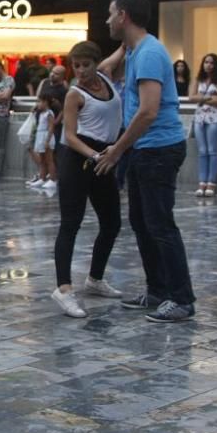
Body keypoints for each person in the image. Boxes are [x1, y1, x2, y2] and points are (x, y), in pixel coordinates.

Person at [95, 0, 196, 323]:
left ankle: (181, 298)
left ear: (123, 16)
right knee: (142, 223)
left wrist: (118, 149)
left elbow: (148, 111)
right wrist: (117, 53)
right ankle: (157, 291)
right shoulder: (136, 48)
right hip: (143, 149)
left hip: (158, 149)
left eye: (111, 14)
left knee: (160, 225)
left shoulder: (150, 53)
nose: (107, 20)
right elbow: (111, 61)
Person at [51, 41, 123, 318]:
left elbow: (123, 50)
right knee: (71, 223)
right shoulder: (74, 94)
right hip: (79, 158)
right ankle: (64, 289)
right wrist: (96, 156)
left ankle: (94, 279)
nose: (80, 71)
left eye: (85, 65)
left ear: (96, 63)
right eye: (76, 66)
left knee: (112, 222)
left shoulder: (105, 75)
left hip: (103, 157)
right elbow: (69, 135)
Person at [189, 53, 217, 197]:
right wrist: (209, 98)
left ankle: (211, 183)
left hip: (215, 118)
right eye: (206, 62)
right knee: (202, 151)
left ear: (216, 64)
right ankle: (202, 182)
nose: (208, 65)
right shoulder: (198, 79)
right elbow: (191, 97)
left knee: (213, 150)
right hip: (200, 117)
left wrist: (202, 99)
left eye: (211, 63)